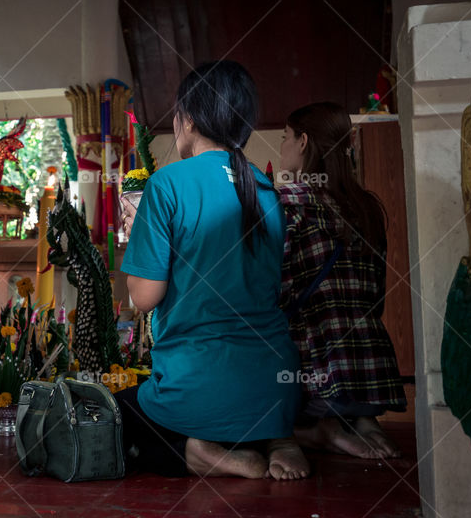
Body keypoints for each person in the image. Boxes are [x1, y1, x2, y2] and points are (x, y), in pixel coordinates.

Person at [119, 60, 309, 480]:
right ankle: (275, 438)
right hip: (275, 387)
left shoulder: (167, 184)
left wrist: (139, 242)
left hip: (198, 388)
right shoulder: (265, 190)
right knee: (237, 400)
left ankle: (200, 453)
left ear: (187, 120)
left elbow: (143, 297)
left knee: (99, 421)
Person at [277, 102, 407, 460]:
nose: (283, 146)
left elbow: (280, 290)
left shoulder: (290, 202)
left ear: (303, 142)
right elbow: (377, 293)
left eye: (285, 137)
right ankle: (364, 422)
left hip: (318, 359)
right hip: (371, 361)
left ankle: (323, 432)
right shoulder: (366, 206)